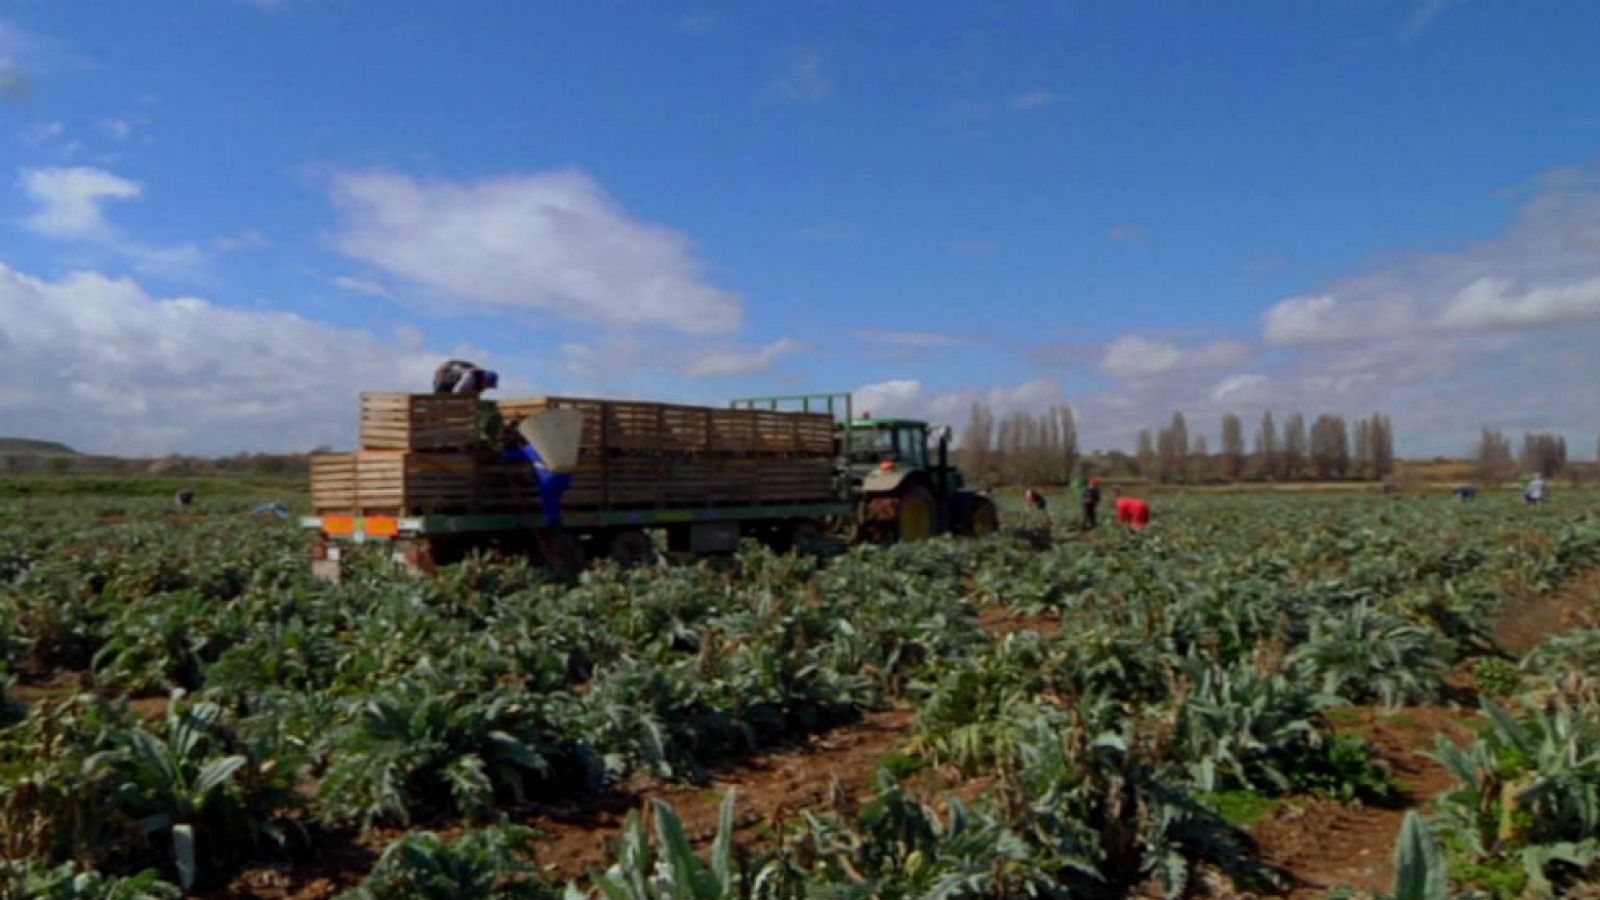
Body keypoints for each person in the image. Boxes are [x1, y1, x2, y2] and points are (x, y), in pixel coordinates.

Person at [432, 359, 500, 396]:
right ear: (484, 380)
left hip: (457, 375)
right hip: (445, 373)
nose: (487, 387)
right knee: (441, 397)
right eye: (488, 384)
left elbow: (475, 398)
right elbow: (457, 392)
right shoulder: (471, 376)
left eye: (489, 386)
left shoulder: (481, 384)